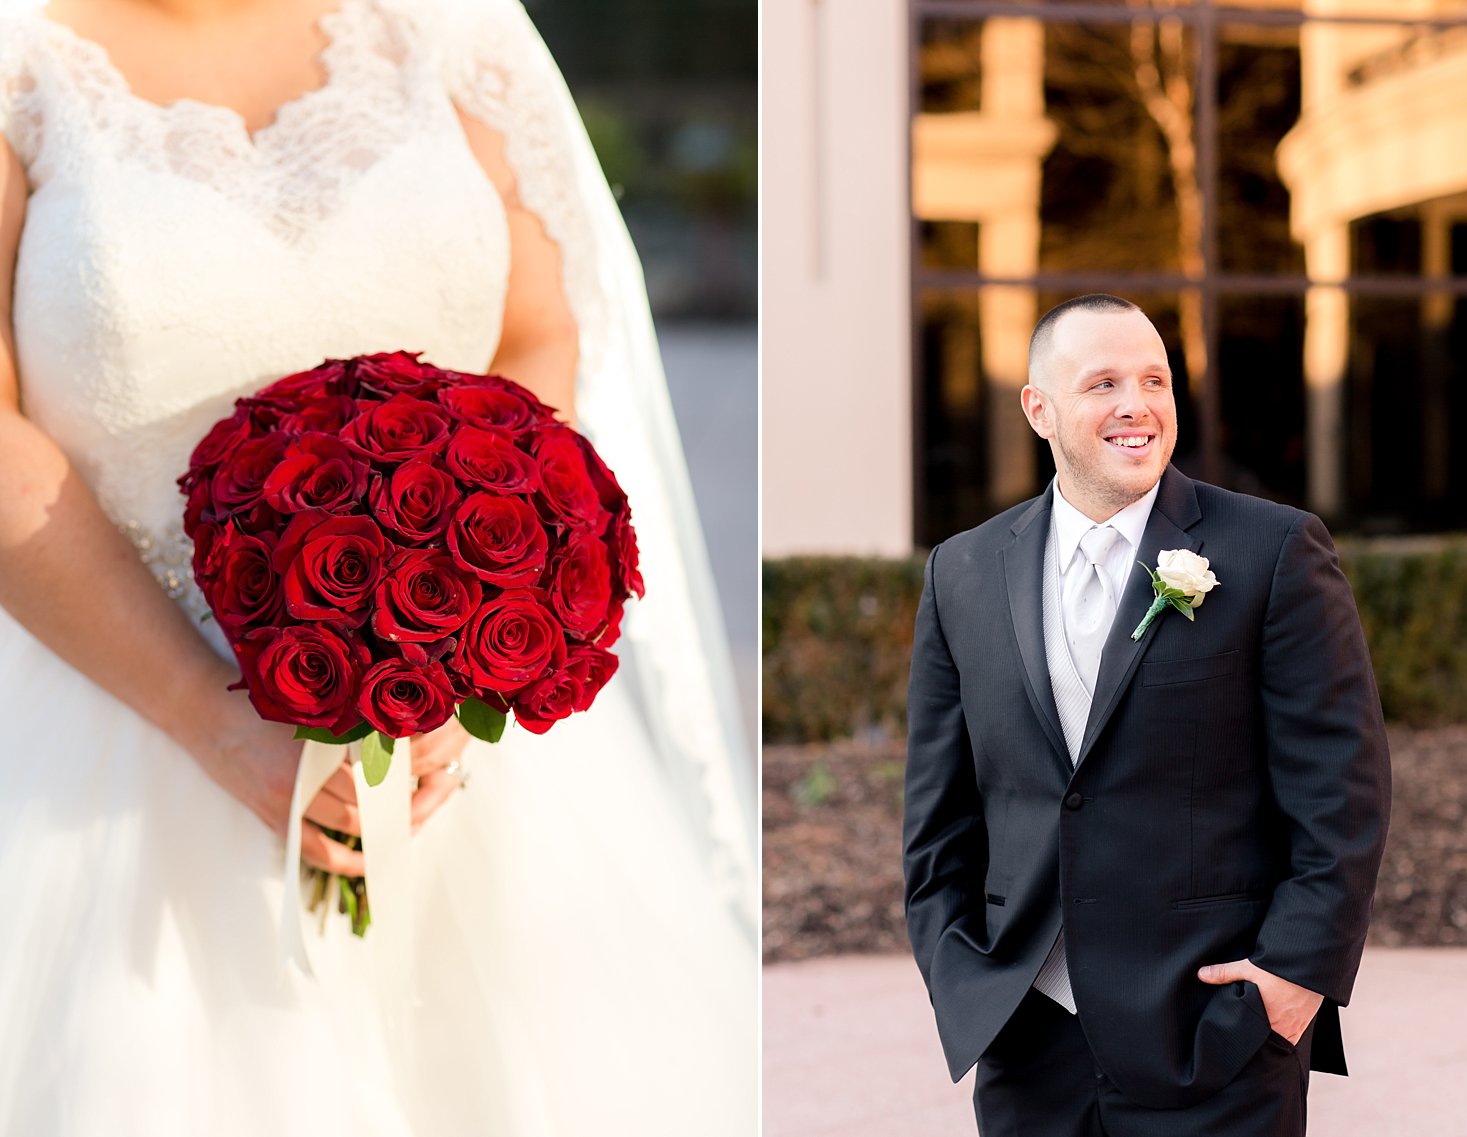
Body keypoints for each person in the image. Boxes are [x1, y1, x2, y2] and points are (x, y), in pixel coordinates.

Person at [0, 0, 757, 1132]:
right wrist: (220, 725)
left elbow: (542, 331)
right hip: (109, 721)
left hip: (459, 754)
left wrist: (461, 644)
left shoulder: (456, 34)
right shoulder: (24, 58)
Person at [902, 293, 1391, 1137]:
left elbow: (1343, 792)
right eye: (1104, 382)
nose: (1138, 404)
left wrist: (1289, 981)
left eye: (1155, 379)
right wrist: (964, 978)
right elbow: (938, 817)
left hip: (1217, 1041)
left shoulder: (1272, 551)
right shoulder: (963, 572)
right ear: (1039, 409)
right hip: (1029, 1050)